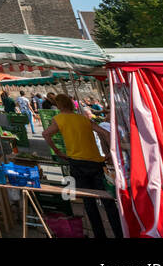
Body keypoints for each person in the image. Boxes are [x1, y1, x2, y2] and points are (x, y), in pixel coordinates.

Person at [43, 94, 123, 238]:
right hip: (96, 162)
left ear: (59, 106)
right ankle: (119, 233)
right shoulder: (83, 119)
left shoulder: (59, 119)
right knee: (108, 201)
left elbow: (46, 134)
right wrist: (111, 152)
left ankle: (100, 235)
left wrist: (58, 151)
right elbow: (105, 133)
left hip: (77, 163)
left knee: (89, 202)